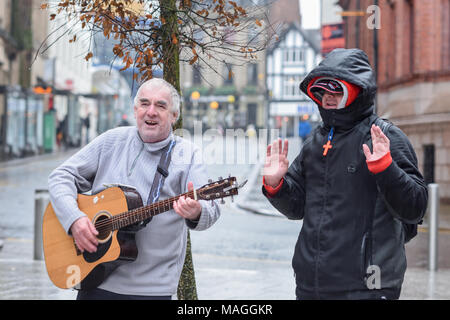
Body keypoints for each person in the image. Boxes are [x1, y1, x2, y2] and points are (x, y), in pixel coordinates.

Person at [262, 48, 428, 300]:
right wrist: (276, 185)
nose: (328, 98)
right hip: (311, 285)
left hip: (368, 287)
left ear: (357, 91)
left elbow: (415, 208)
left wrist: (386, 169)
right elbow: (296, 208)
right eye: (322, 92)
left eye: (336, 91)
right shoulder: (315, 142)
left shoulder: (384, 136)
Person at [48, 78, 220, 300]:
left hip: (151, 290)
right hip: (94, 278)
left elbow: (211, 208)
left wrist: (197, 212)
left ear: (174, 116)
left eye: (161, 105)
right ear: (135, 108)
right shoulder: (111, 140)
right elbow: (60, 176)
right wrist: (74, 219)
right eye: (145, 103)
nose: (151, 112)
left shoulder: (188, 154)